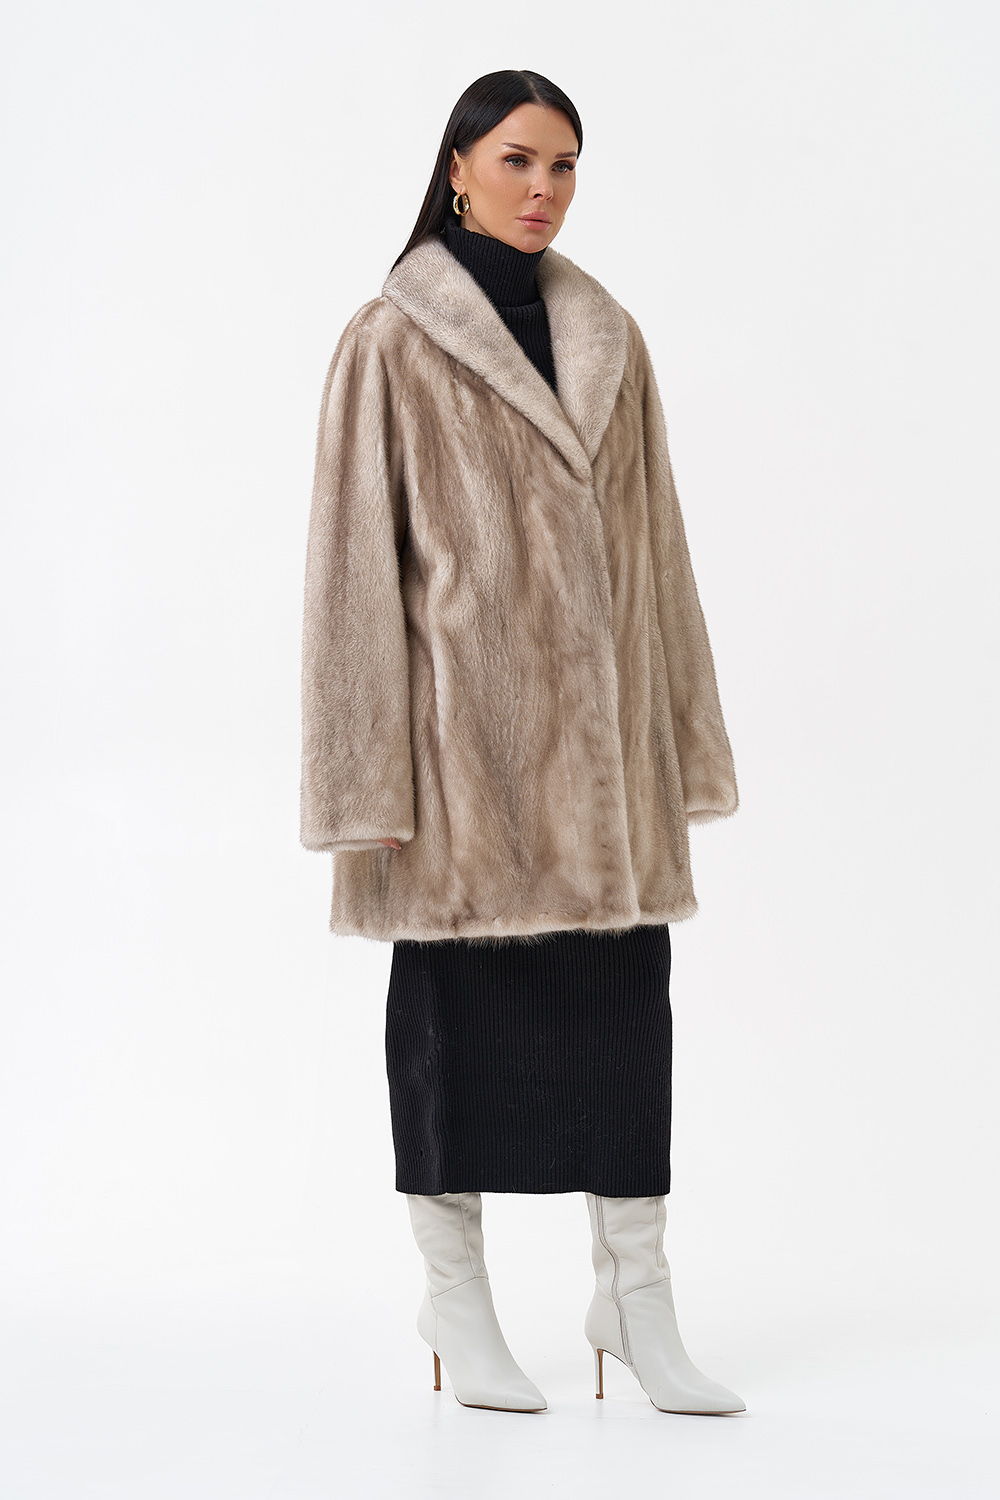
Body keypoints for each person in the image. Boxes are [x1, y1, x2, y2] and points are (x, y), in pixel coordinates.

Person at [300, 69, 745, 1416]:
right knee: (454, 1034)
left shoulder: (611, 338)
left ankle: (634, 1299)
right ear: (457, 168)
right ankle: (455, 1299)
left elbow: (659, 557)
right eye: (518, 160)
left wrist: (682, 747)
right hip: (463, 772)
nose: (544, 188)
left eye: (564, 165)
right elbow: (351, 577)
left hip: (605, 774)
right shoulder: (390, 340)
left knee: (626, 1029)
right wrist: (364, 781)